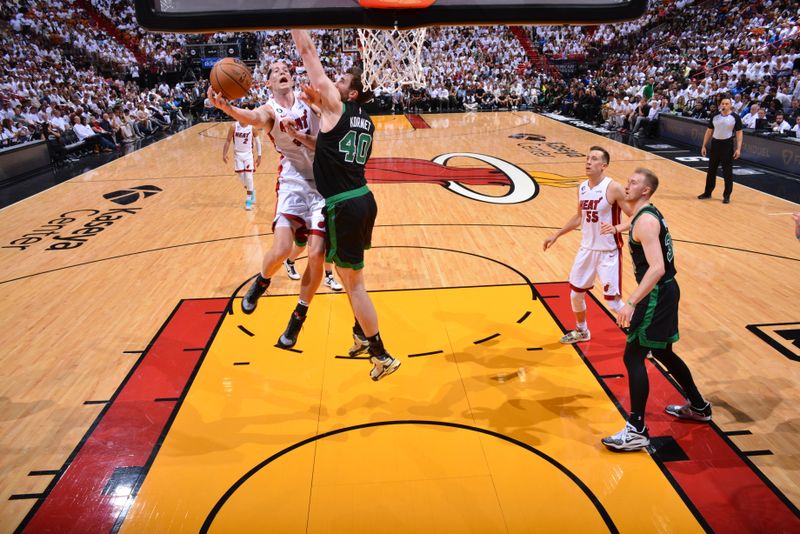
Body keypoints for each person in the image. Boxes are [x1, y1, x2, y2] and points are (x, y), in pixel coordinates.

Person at [290, 29, 400, 381]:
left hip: (344, 205)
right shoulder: (364, 120)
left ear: (351, 93)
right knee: (347, 274)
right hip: (362, 199)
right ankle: (360, 335)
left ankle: (381, 353)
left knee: (354, 283)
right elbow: (329, 148)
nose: (332, 82)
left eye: (340, 81)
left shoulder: (336, 106)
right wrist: (300, 135)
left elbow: (308, 52)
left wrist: (292, 18)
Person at [207, 60, 327, 349]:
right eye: (275, 71)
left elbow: (332, 120)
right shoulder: (270, 110)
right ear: (268, 83)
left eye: (285, 69)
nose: (281, 72)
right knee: (283, 249)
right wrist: (227, 108)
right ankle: (261, 281)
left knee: (316, 255)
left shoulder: (309, 99)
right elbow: (252, 117)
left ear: (291, 78)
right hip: (292, 183)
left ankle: (299, 315)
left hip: (324, 184)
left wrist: (321, 106)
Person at [601, 168, 711, 452]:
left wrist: (631, 302)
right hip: (665, 292)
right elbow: (635, 225)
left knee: (633, 355)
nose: (627, 185)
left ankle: (637, 430)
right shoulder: (645, 214)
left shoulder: (646, 222)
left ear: (646, 190)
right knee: (662, 352)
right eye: (629, 180)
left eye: (633, 182)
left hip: (656, 295)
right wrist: (618, 228)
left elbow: (657, 268)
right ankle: (699, 406)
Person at [543, 146, 632, 343]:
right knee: (575, 295)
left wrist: (617, 228)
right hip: (586, 250)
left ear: (604, 165)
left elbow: (635, 216)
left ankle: (643, 338)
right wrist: (556, 235)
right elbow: (579, 217)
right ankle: (582, 331)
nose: (588, 162)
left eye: (594, 159)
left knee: (614, 304)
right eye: (587, 158)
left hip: (608, 252)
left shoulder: (613, 188)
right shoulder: (582, 187)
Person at [698, 97, 743, 204]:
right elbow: (709, 131)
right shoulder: (715, 116)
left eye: (726, 104)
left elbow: (739, 133)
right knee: (711, 170)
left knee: (727, 171)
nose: (724, 105)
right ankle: (707, 192)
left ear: (730, 105)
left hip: (727, 145)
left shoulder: (735, 117)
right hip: (715, 144)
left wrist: (738, 148)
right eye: (723, 103)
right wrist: (704, 145)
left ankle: (727, 195)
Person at [222, 117, 261, 210]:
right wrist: (224, 154)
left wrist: (259, 156)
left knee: (249, 178)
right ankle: (252, 190)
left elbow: (258, 142)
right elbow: (228, 140)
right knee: (243, 179)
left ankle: (248, 201)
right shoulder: (234, 126)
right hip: (238, 155)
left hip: (248, 155)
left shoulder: (252, 128)